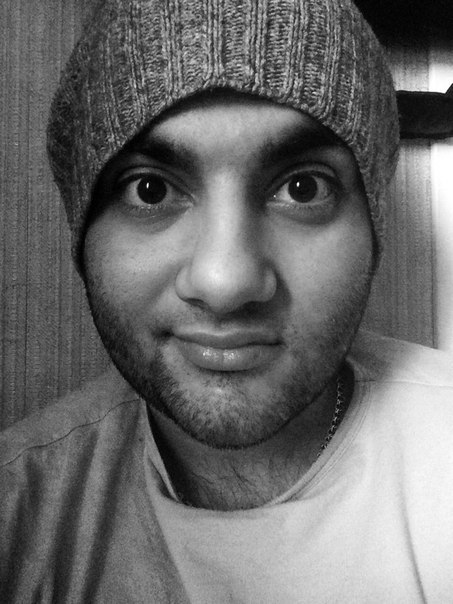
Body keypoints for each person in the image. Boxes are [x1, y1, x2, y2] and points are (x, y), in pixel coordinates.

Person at [1, 0, 453, 601]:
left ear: (374, 229)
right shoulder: (19, 515)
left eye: (303, 187)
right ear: (82, 237)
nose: (225, 282)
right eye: (150, 189)